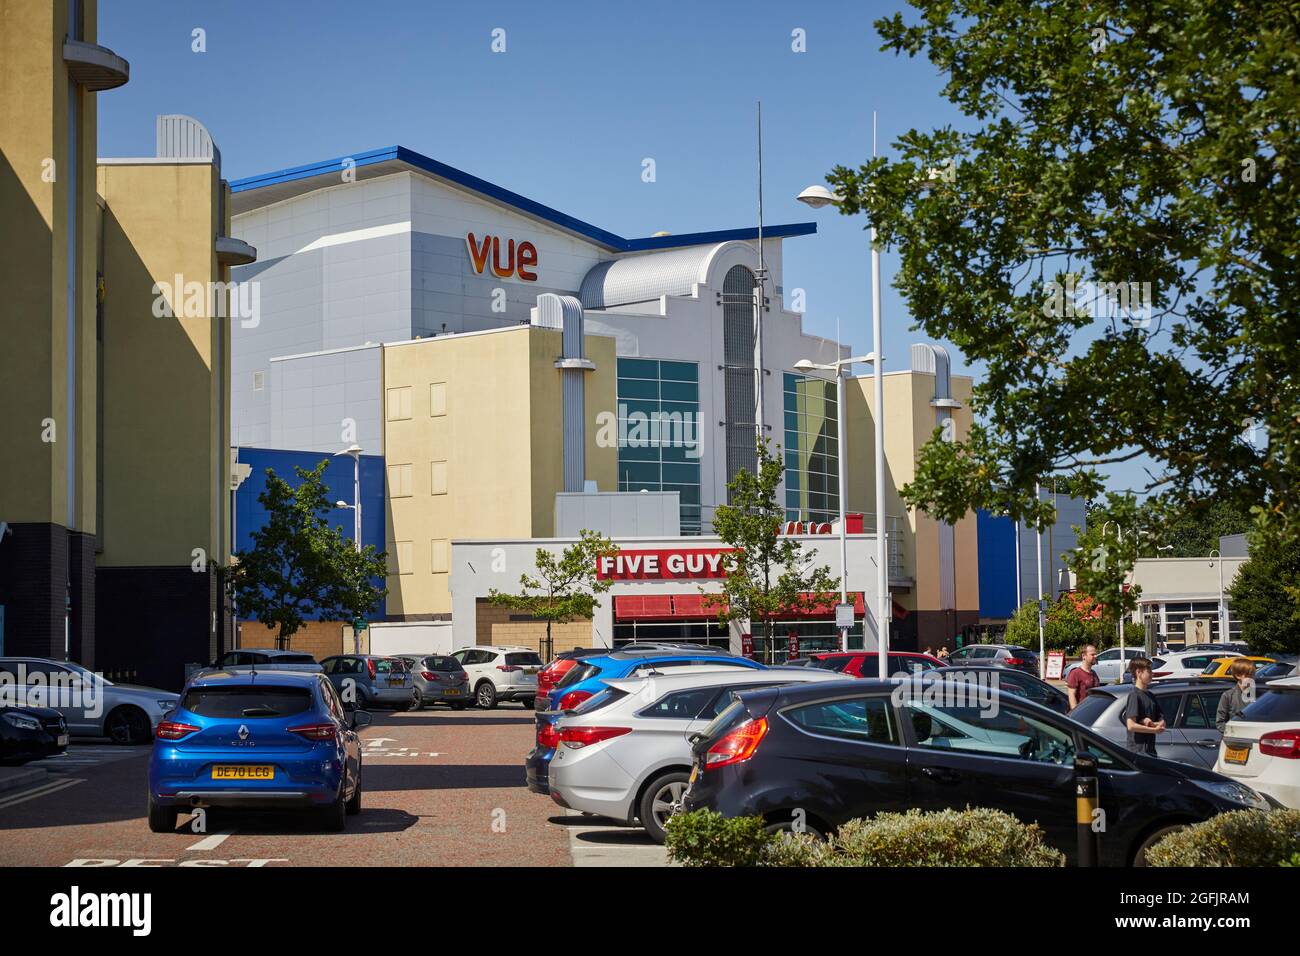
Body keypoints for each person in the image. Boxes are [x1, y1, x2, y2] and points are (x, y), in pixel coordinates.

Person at [1122, 657, 1166, 755]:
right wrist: (1153, 730)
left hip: (1150, 751)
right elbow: (1131, 725)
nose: (1152, 674)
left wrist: (1153, 724)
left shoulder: (1151, 696)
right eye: (1149, 671)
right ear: (1139, 672)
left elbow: (1162, 721)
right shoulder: (1134, 695)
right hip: (1137, 752)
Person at [1215, 658, 1257, 733]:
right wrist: (1235, 733)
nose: (1252, 678)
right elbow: (1220, 723)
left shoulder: (1259, 695)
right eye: (1249, 675)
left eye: (1253, 675)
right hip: (1236, 740)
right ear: (1238, 675)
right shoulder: (1228, 695)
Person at [1067, 643, 1101, 711]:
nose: (1095, 656)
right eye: (1092, 654)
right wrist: (1076, 714)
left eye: (1095, 654)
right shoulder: (1075, 673)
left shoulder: (1094, 673)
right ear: (1083, 656)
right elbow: (1071, 696)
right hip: (1081, 714)